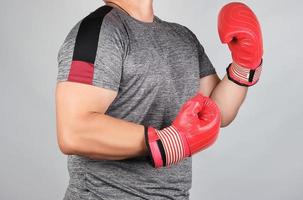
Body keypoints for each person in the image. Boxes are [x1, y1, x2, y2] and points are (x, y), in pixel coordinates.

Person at [55, 0, 263, 199]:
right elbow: (75, 131)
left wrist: (244, 66)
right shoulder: (98, 31)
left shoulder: (182, 36)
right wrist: (170, 142)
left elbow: (217, 113)